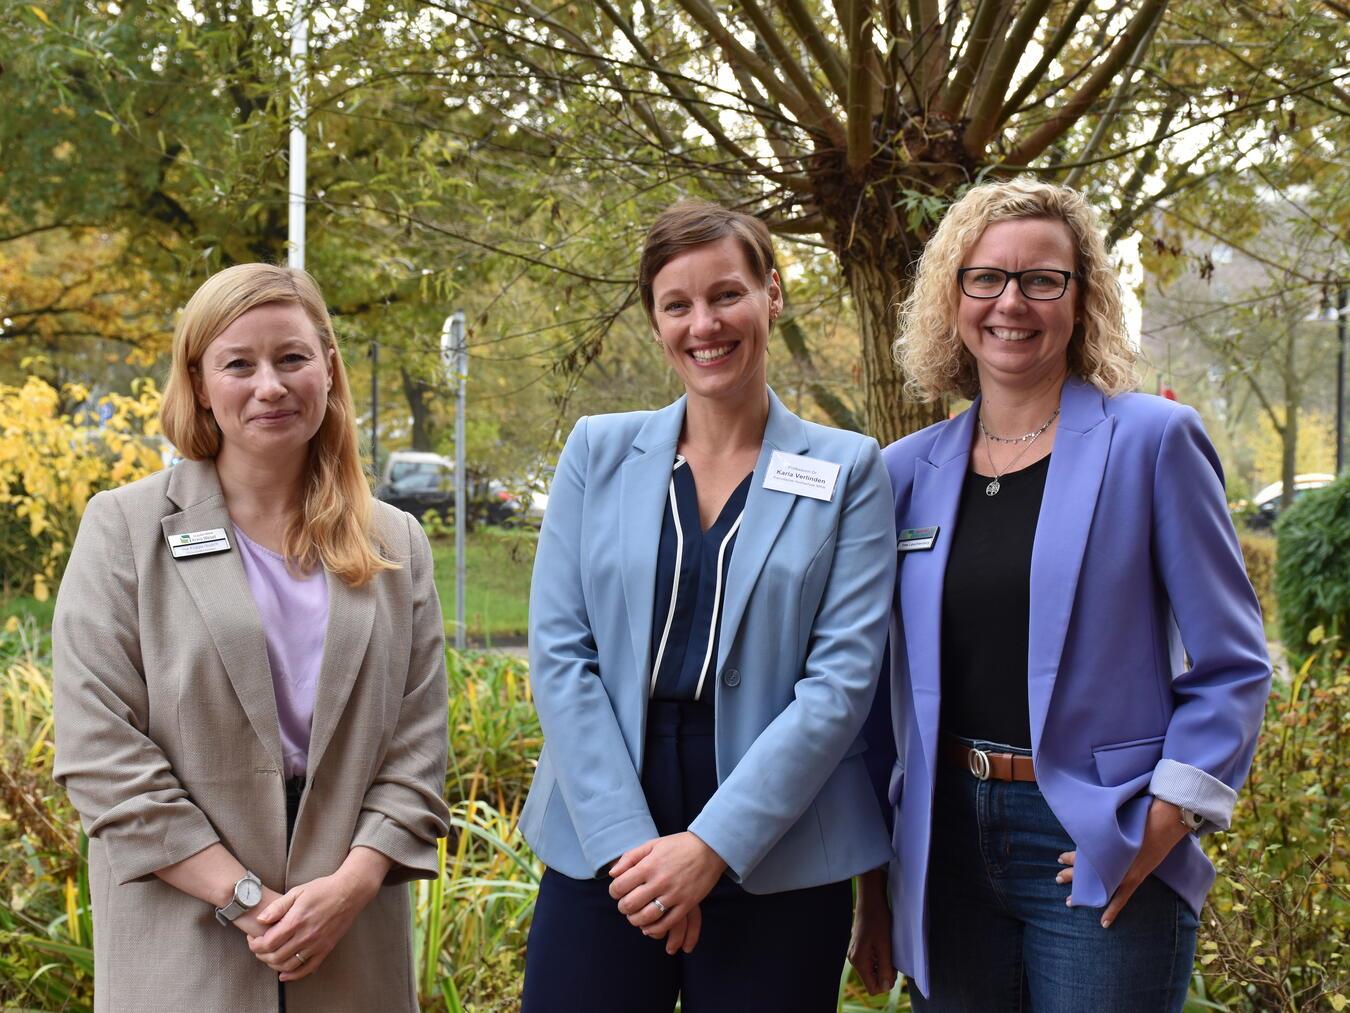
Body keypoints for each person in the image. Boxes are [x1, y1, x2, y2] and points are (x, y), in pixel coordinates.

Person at [848, 179, 1271, 1012]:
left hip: (1096, 834)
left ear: (1082, 300)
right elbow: (870, 697)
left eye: (1042, 279)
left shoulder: (1152, 442)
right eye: (986, 277)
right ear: (953, 297)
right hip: (941, 845)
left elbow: (1234, 662)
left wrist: (1165, 818)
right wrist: (874, 883)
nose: (1012, 302)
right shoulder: (902, 474)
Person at [519, 200, 897, 1012]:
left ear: (772, 294)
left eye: (727, 294)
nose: (705, 324)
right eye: (677, 304)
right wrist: (633, 849)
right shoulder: (596, 451)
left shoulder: (850, 470)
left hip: (781, 837)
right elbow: (559, 654)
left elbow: (840, 684)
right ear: (656, 321)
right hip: (603, 819)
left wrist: (711, 845)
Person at [53, 264, 450, 1013]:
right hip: (184, 941)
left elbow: (417, 748)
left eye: (292, 358)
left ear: (327, 368)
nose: (270, 386)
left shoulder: (396, 543)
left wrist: (351, 884)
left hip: (350, 939)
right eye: (239, 364)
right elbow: (98, 748)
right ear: (200, 384)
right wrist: (242, 896)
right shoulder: (124, 529)